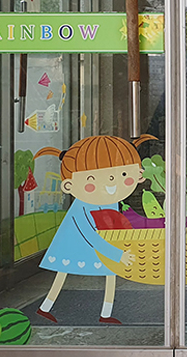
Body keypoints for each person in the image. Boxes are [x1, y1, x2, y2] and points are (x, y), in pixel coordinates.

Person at [33, 134, 154, 324]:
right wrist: (117, 254)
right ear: (69, 185)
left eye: (123, 175)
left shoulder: (110, 201)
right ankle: (46, 307)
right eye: (92, 178)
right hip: (76, 246)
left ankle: (106, 313)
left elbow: (111, 227)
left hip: (102, 246)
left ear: (139, 175)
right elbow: (90, 235)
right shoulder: (82, 208)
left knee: (108, 274)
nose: (111, 182)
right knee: (63, 273)